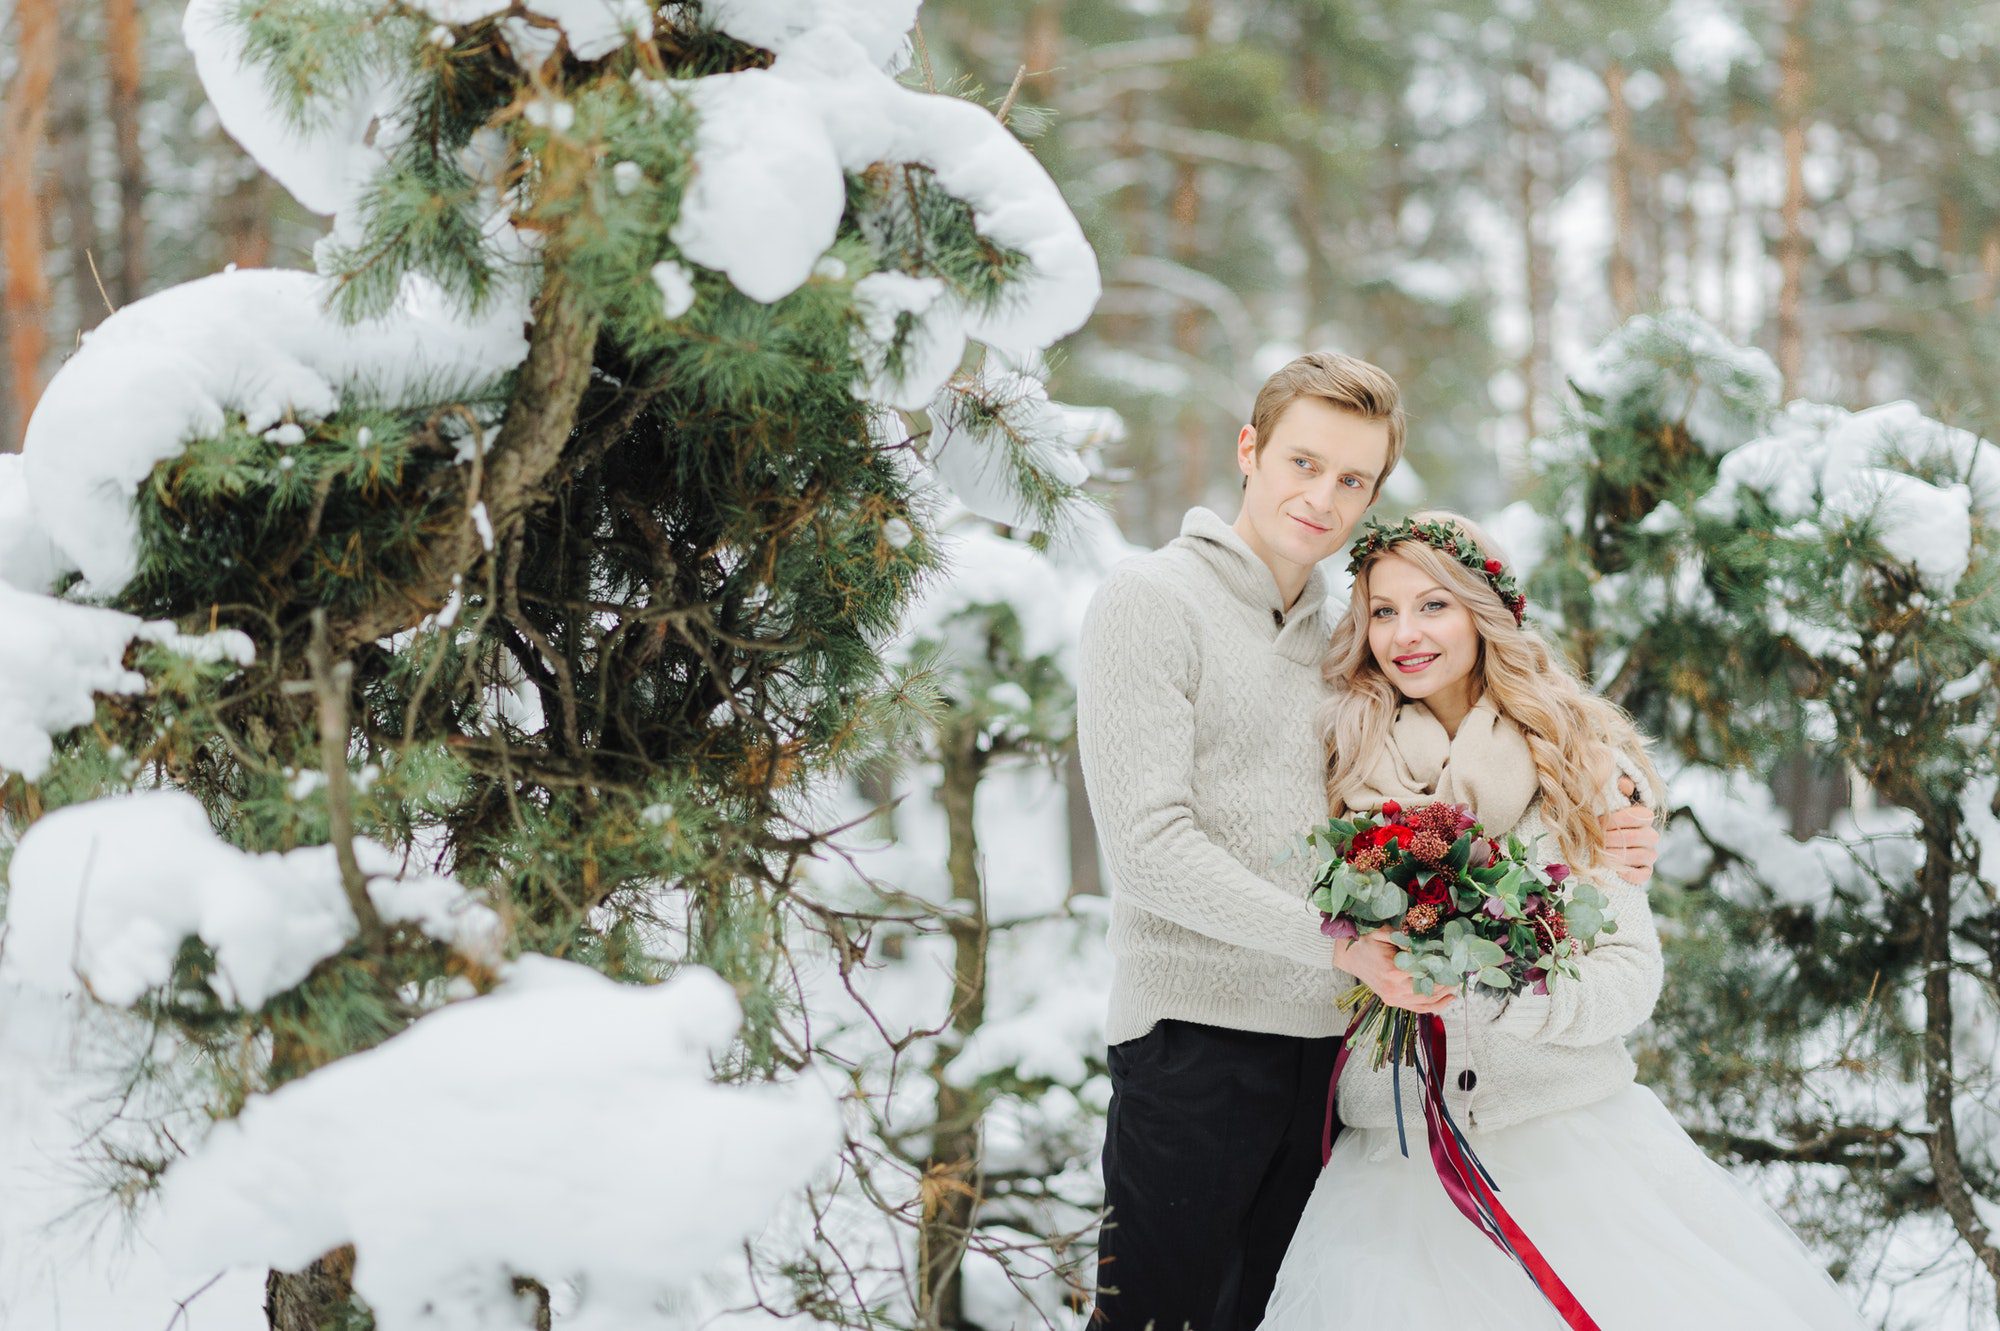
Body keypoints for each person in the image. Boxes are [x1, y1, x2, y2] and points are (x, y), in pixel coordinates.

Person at [1075, 354, 1662, 1331]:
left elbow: (1489, 752)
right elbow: (1146, 847)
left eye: (1352, 479)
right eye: (1302, 461)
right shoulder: (1151, 600)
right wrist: (1337, 943)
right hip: (1194, 1037)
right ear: (1248, 448)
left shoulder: (1344, 635)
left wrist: (1629, 817)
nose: (1322, 496)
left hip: (1332, 1060)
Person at [1254, 510, 1870, 1331]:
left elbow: (1628, 971)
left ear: (1485, 609)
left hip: (1570, 1154)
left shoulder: (1574, 761)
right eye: (1382, 609)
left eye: (1433, 605)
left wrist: (1508, 995)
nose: (1405, 633)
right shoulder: (1334, 761)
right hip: (1390, 1166)